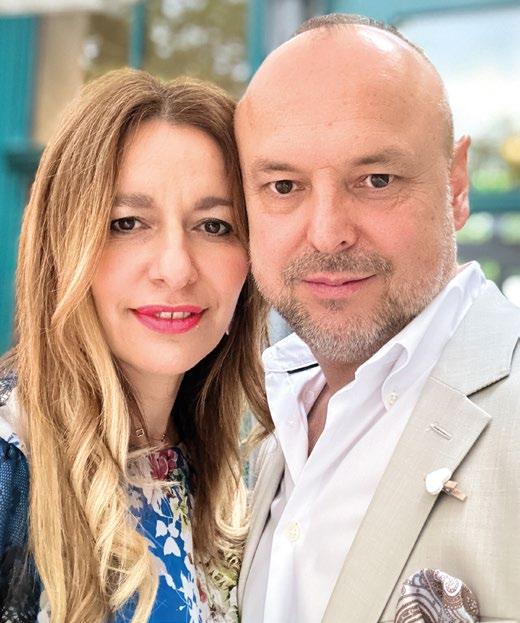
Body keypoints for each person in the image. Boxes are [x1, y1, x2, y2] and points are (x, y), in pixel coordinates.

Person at [235, 13, 520, 623]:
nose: (327, 232)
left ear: (456, 185)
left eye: (376, 179)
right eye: (283, 186)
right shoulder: (260, 424)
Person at [0, 68, 270, 623]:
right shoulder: (11, 464)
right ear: (62, 245)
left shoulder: (222, 472)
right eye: (127, 223)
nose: (175, 268)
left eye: (214, 226)